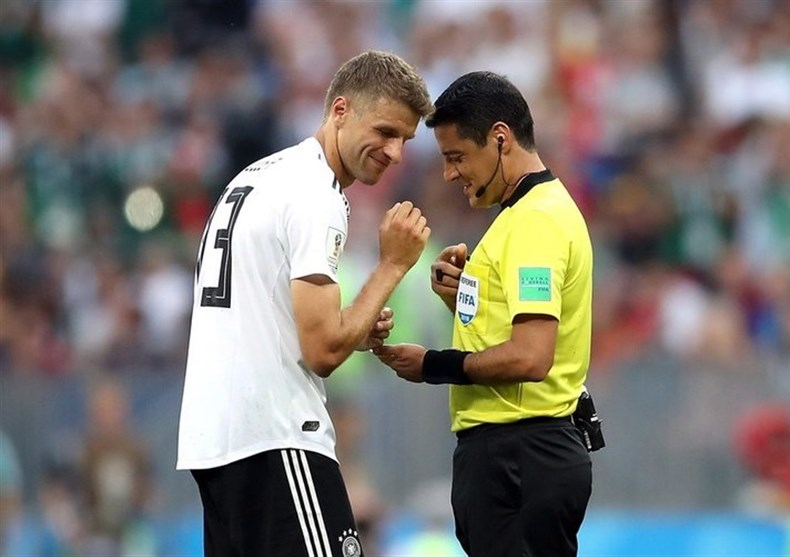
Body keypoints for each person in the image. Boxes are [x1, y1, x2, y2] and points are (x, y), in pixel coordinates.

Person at [177, 50, 432, 557]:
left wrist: (354, 324)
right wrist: (392, 265)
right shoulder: (316, 193)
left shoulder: (256, 177)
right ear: (340, 110)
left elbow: (270, 312)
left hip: (215, 444)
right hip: (277, 436)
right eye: (385, 131)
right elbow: (323, 351)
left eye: (404, 139)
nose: (395, 152)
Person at [374, 71, 597, 557]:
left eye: (457, 157)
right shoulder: (523, 215)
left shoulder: (535, 221)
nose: (450, 174)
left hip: (520, 455)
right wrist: (465, 300)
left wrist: (433, 365)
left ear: (500, 138)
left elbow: (531, 357)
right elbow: (518, 333)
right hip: (520, 454)